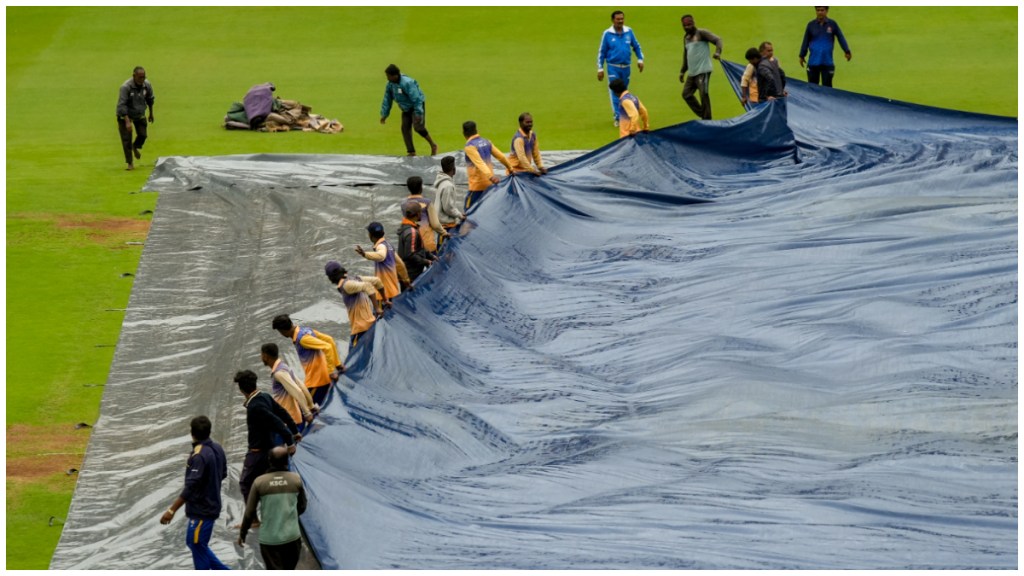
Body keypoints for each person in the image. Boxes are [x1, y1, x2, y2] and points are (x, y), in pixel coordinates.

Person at [159, 415, 230, 570]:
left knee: (196, 544)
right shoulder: (217, 448)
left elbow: (191, 487)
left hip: (202, 511)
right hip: (210, 505)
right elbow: (223, 473)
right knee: (196, 544)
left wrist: (171, 510)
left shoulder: (199, 456)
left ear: (192, 433)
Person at [234, 370, 300, 514]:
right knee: (270, 481)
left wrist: (290, 442)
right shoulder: (265, 396)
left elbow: (276, 421)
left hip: (257, 452)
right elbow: (282, 413)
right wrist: (295, 431)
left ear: (241, 389)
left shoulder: (254, 407)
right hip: (269, 448)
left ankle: (253, 519)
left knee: (245, 483)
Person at [238, 446, 307, 570]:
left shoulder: (259, 482)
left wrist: (243, 533)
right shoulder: (295, 479)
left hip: (269, 540)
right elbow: (302, 506)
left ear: (269, 460)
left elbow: (249, 512)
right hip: (292, 538)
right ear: (287, 461)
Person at [271, 314, 343, 407]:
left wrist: (331, 371)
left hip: (316, 383)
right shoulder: (306, 331)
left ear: (282, 331)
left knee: (304, 408)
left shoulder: (302, 339)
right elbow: (329, 340)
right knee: (326, 406)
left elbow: (327, 347)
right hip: (321, 379)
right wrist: (337, 364)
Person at [596, 10, 644, 127]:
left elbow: (636, 46)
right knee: (615, 92)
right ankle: (618, 117)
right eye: (618, 19)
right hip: (613, 67)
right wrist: (600, 68)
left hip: (626, 67)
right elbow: (601, 52)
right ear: (613, 20)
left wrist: (640, 59)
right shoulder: (607, 34)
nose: (620, 21)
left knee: (624, 92)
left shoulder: (629, 31)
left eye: (622, 19)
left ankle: (624, 114)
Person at [379, 64, 438, 157]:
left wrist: (418, 113)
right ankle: (411, 151)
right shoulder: (390, 84)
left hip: (415, 106)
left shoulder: (407, 83)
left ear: (395, 75)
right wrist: (384, 114)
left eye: (388, 76)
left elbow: (416, 99)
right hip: (405, 108)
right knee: (405, 128)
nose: (387, 78)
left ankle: (433, 145)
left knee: (418, 127)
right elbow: (387, 99)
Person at [324, 260, 385, 348]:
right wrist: (385, 299)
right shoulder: (355, 279)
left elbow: (367, 286)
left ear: (330, 277)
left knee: (352, 359)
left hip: (360, 330)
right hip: (372, 324)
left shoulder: (346, 286)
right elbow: (377, 281)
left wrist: (377, 308)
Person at [260, 343, 316, 431]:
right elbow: (301, 385)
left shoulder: (279, 373)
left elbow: (298, 391)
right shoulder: (284, 366)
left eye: (261, 355)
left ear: (265, 356)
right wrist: (311, 405)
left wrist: (307, 413)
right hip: (292, 418)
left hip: (289, 421)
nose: (261, 357)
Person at [355, 221, 411, 306]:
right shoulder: (389, 246)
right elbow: (401, 265)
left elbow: (381, 256)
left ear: (370, 236)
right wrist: (406, 280)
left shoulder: (381, 246)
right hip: (393, 291)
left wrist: (365, 254)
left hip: (383, 295)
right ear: (383, 233)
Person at [679, 15, 723, 120]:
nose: (687, 27)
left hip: (703, 70)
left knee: (704, 93)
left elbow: (718, 40)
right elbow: (686, 55)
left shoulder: (702, 33)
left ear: (694, 23)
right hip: (692, 72)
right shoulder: (686, 38)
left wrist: (717, 52)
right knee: (686, 94)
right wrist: (682, 71)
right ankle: (704, 115)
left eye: (689, 24)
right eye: (685, 25)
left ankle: (707, 119)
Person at [462, 121, 513, 211]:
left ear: (464, 133)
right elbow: (501, 156)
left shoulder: (469, 146)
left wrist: (491, 176)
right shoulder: (487, 142)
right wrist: (510, 168)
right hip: (490, 185)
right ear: (476, 130)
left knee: (468, 212)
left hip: (477, 186)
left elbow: (479, 163)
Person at [799, 6, 852, 87]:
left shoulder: (832, 24)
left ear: (827, 11)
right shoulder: (811, 25)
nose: (820, 12)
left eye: (822, 10)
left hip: (827, 62)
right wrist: (802, 55)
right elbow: (805, 40)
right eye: (818, 10)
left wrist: (846, 50)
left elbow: (840, 37)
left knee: (827, 90)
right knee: (812, 90)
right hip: (813, 62)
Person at [116, 66, 155, 171]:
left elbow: (150, 99)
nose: (142, 80)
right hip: (125, 115)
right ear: (134, 76)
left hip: (138, 113)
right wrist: (127, 121)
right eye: (140, 77)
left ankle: (136, 146)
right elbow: (122, 105)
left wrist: (151, 113)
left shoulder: (147, 85)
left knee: (143, 134)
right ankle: (130, 163)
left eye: (144, 77)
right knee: (126, 139)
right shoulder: (125, 87)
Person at [403, 176, 447, 254]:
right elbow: (435, 225)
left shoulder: (404, 204)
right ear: (421, 188)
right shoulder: (427, 203)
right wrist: (444, 233)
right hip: (426, 243)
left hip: (411, 244)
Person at [397, 203, 436, 282]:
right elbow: (410, 255)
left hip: (407, 270)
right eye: (421, 212)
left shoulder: (406, 227)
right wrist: (426, 261)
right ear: (417, 214)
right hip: (411, 272)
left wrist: (431, 256)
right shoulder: (412, 232)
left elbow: (419, 248)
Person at [432, 156, 465, 245]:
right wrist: (460, 215)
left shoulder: (442, 182)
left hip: (443, 224)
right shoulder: (448, 186)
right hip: (446, 226)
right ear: (454, 169)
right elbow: (448, 207)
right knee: (444, 252)